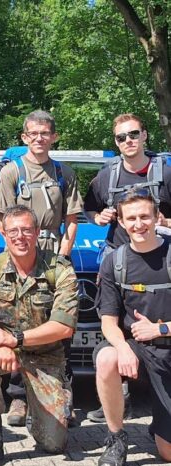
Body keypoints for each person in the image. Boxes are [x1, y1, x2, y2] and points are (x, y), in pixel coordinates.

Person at [0, 205, 79, 466]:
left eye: (26, 230)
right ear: (3, 233)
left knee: (54, 444)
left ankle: (39, 412)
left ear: (37, 232)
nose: (20, 237)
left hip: (45, 356)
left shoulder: (59, 268)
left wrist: (16, 339)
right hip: (2, 350)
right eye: (13, 231)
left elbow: (63, 327)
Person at [0, 110, 83, 426]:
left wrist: (63, 257)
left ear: (54, 137)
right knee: (20, 321)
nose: (39, 138)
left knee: (60, 325)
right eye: (33, 133)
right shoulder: (11, 173)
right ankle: (19, 396)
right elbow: (2, 221)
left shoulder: (64, 173)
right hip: (22, 254)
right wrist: (18, 254)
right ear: (24, 137)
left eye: (45, 133)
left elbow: (71, 220)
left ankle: (62, 394)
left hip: (53, 254)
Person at [84, 113, 171, 422]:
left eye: (133, 134)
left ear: (145, 135)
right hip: (120, 261)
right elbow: (89, 207)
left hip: (161, 258)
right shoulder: (107, 175)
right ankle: (117, 398)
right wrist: (98, 218)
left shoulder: (165, 173)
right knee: (116, 326)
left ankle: (155, 398)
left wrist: (165, 223)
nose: (128, 141)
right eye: (121, 137)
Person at [93, 188, 171, 466]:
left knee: (168, 453)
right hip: (139, 351)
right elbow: (108, 321)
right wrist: (123, 348)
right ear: (122, 223)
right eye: (131, 218)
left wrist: (160, 328)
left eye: (144, 217)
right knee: (107, 358)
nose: (139, 224)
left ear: (157, 217)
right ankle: (116, 439)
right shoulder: (115, 262)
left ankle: (160, 426)